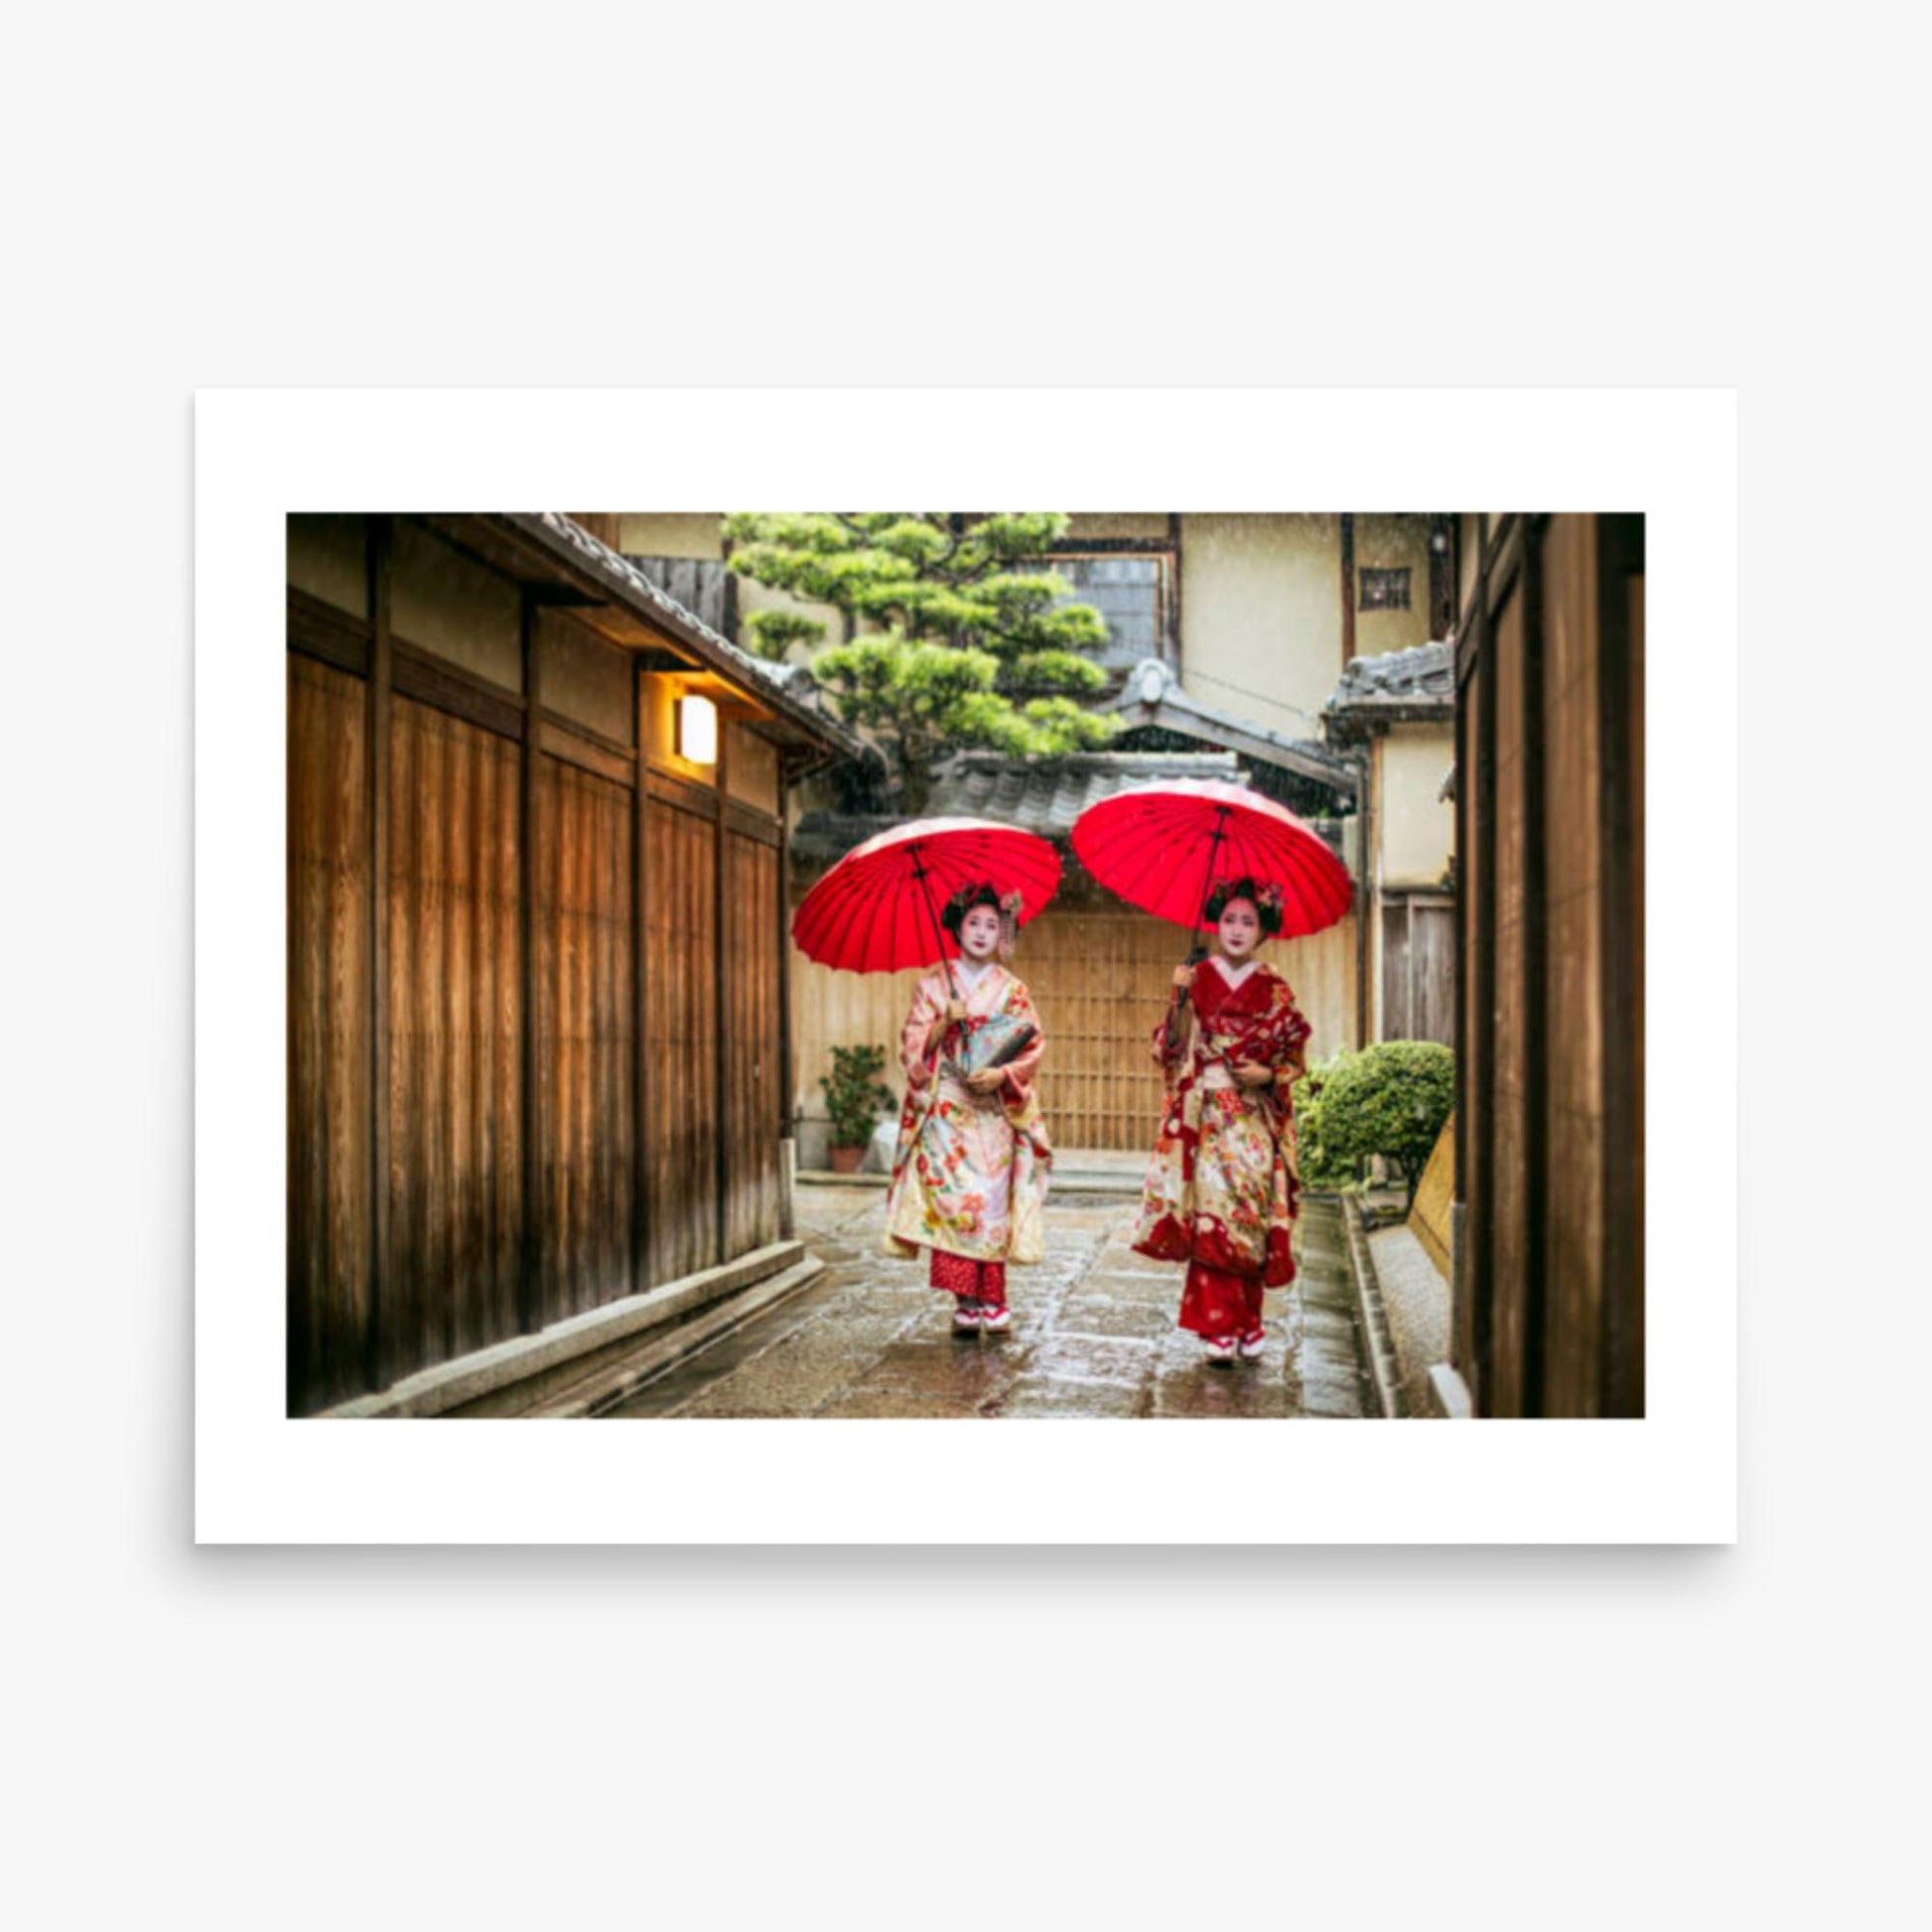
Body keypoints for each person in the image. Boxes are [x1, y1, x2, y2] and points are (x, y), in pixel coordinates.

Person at [1131, 876, 1312, 1364]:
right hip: (1207, 1117)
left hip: (1252, 1117)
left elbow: (1295, 1058)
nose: (1236, 929)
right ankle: (1217, 1326)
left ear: (1262, 930)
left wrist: (1267, 1073)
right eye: (1229, 919)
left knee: (1249, 1216)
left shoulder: (1275, 987)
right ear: (1216, 922)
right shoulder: (1196, 975)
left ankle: (1249, 1320)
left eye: (1248, 921)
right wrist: (1179, 998)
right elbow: (1167, 1050)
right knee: (1211, 1215)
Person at [882, 883, 1051, 1334]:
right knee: (956, 1203)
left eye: (991, 925)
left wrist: (1003, 1076)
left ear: (1003, 934)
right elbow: (912, 1049)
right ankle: (964, 1299)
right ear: (957, 926)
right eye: (972, 922)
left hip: (992, 1109)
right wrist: (942, 1025)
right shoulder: (932, 985)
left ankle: (993, 1298)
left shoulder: (1013, 990)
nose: (981, 932)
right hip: (948, 1113)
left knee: (991, 1204)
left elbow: (1032, 1044)